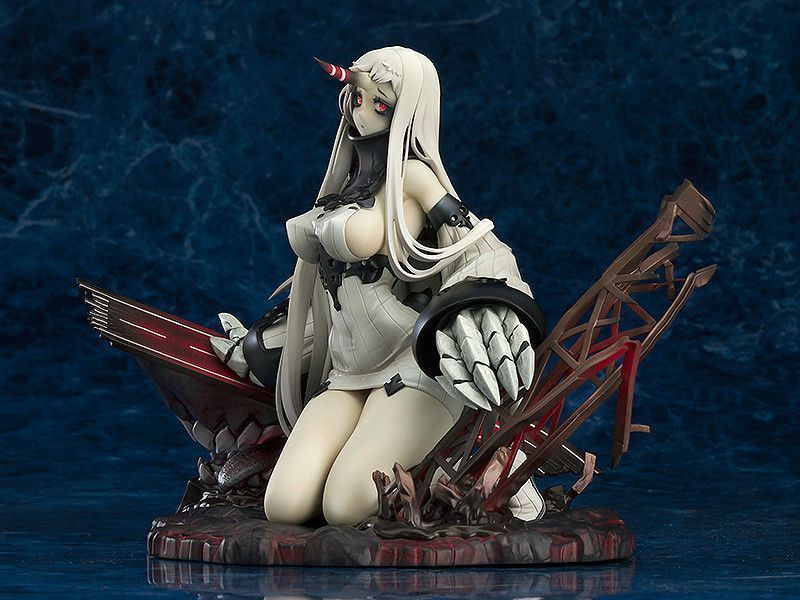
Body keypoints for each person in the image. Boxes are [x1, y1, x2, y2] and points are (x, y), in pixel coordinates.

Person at [211, 46, 547, 526]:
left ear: (407, 111)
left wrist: (484, 302)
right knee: (284, 505)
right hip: (348, 369)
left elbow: (476, 244)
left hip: (411, 364)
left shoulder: (414, 178)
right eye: (356, 96)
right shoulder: (348, 183)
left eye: (380, 103)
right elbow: (331, 291)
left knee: (344, 506)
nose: (361, 110)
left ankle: (467, 464)